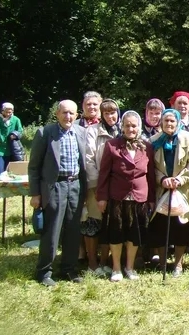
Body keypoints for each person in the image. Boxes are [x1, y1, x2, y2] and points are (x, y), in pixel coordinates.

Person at [28, 100, 88, 287]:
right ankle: (44, 272)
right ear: (57, 114)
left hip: (75, 186)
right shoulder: (45, 133)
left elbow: (83, 164)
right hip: (55, 187)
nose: (68, 117)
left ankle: (69, 269)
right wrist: (36, 194)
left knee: (72, 230)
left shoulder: (80, 132)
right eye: (64, 113)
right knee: (52, 230)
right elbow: (34, 167)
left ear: (77, 115)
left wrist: (84, 190)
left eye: (72, 113)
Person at [97, 111, 155, 282]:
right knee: (116, 233)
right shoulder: (112, 146)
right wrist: (102, 197)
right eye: (127, 125)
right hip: (117, 197)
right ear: (122, 126)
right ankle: (116, 268)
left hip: (139, 197)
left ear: (139, 127)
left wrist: (151, 198)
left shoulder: (147, 147)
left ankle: (129, 267)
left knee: (134, 234)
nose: (131, 128)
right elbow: (104, 174)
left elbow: (150, 175)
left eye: (134, 125)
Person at [150, 108, 189, 277]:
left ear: (178, 122)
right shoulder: (154, 141)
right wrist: (162, 179)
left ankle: (178, 264)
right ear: (161, 122)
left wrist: (180, 179)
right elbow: (150, 165)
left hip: (183, 189)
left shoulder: (188, 138)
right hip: (162, 189)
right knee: (160, 226)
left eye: (172, 121)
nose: (169, 124)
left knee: (181, 226)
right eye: (166, 121)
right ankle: (162, 262)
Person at [83, 99, 121, 277]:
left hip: (117, 187)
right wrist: (100, 186)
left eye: (113, 112)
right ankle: (92, 263)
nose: (110, 116)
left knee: (110, 225)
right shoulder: (92, 131)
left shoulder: (122, 130)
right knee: (93, 222)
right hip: (98, 186)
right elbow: (89, 160)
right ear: (101, 115)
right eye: (106, 113)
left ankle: (105, 262)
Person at [0, 102, 24, 177]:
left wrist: (15, 135)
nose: (8, 114)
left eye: (10, 112)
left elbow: (20, 131)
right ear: (2, 111)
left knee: (11, 174)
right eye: (6, 112)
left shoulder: (16, 120)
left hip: (11, 150)